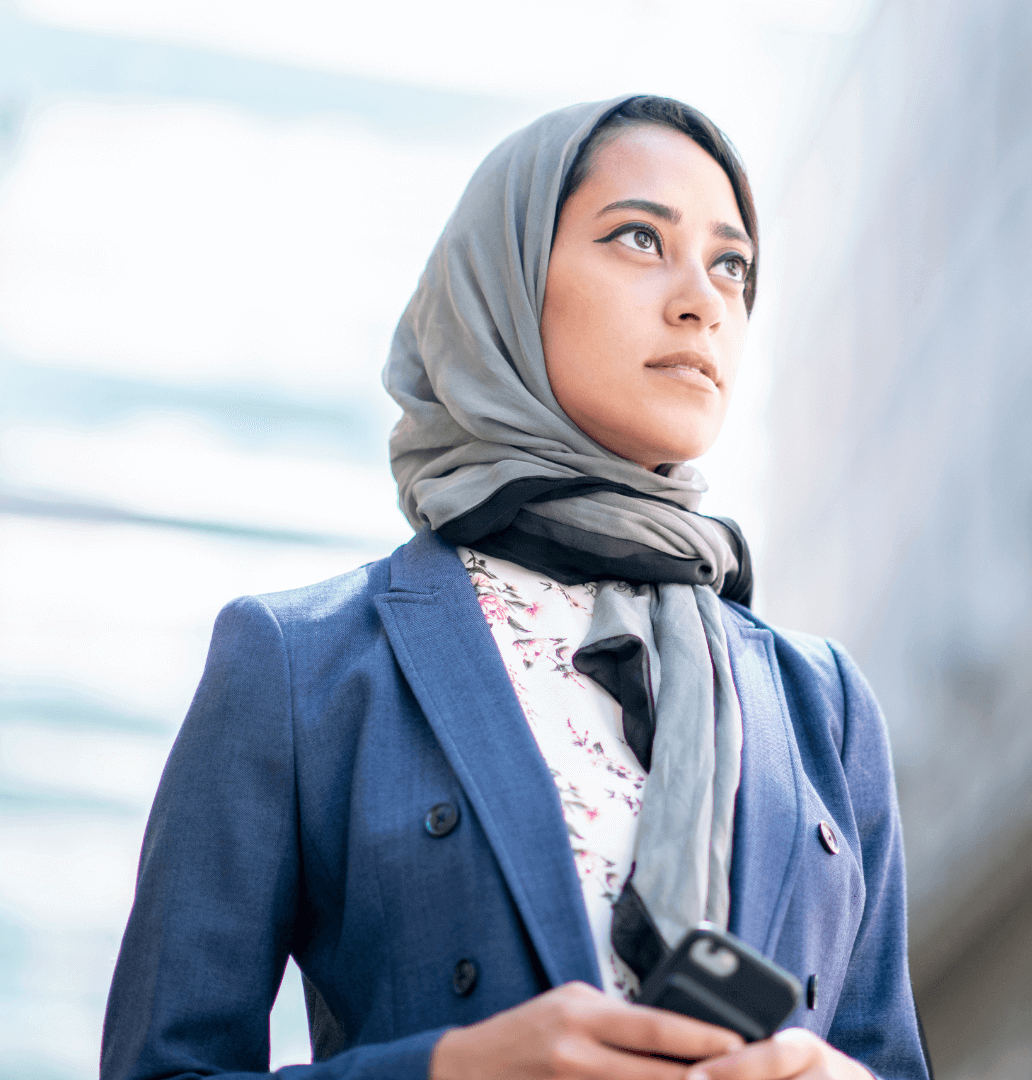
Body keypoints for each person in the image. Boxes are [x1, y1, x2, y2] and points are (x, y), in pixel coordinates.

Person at [101, 95, 931, 1080]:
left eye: (732, 263)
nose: (701, 298)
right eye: (638, 238)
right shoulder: (302, 663)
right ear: (506, 281)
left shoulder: (823, 705)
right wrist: (451, 1069)